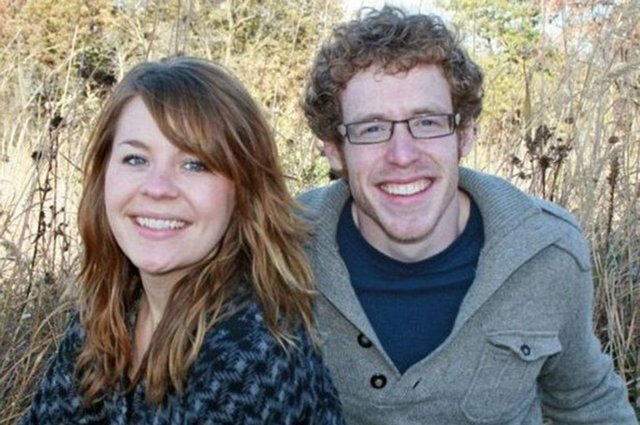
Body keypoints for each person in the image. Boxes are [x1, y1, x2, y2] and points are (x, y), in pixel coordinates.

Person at [300, 6, 637, 424]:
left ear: (465, 135)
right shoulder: (281, 247)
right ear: (334, 150)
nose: (402, 155)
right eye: (371, 128)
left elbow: (588, 403)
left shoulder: (547, 252)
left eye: (427, 122)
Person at [20, 57, 345, 424]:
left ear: (244, 191)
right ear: (103, 175)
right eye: (136, 159)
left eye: (194, 164)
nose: (158, 188)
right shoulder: (110, 313)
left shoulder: (250, 357)